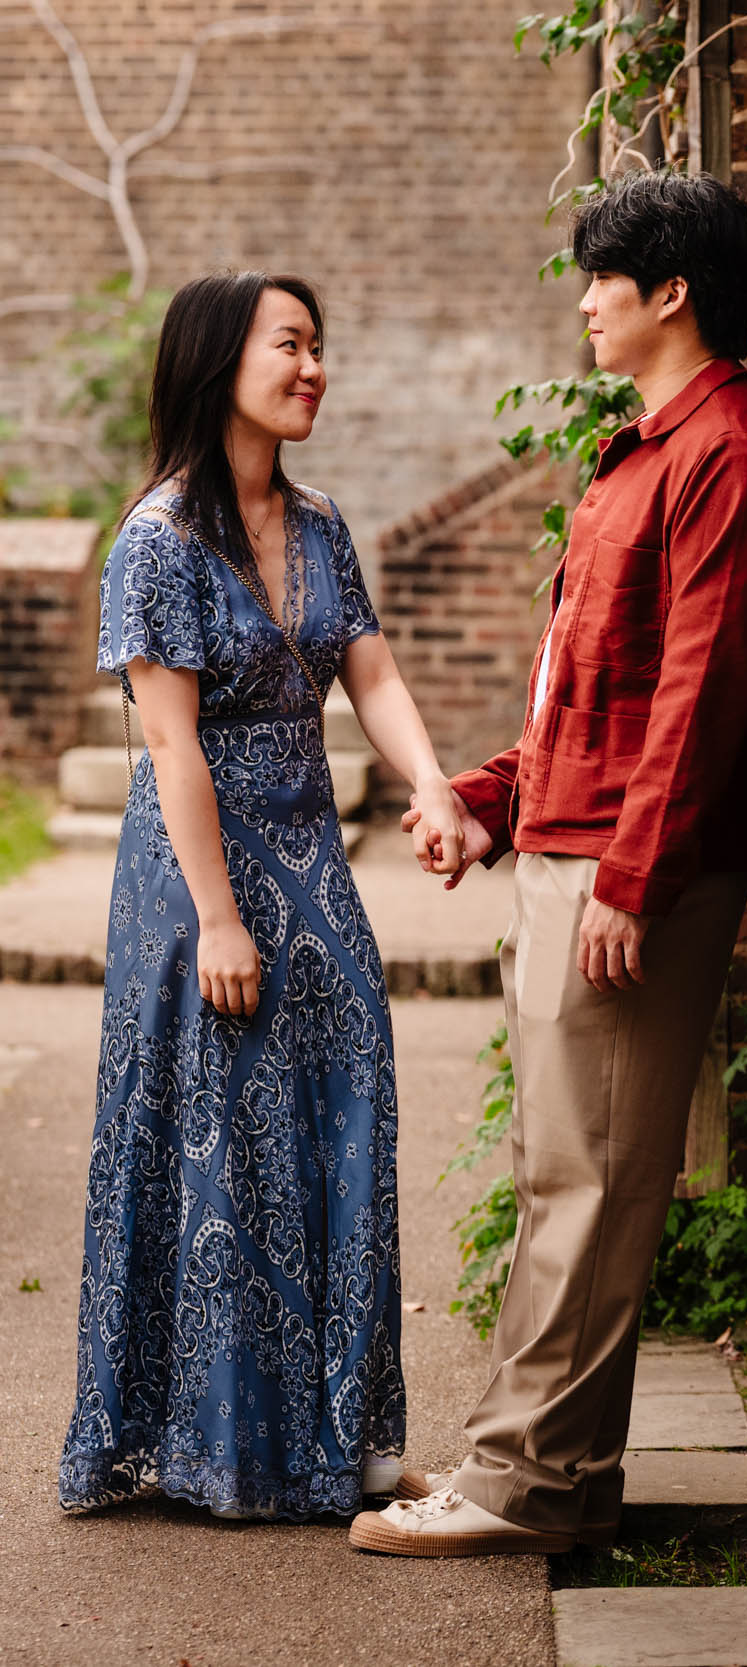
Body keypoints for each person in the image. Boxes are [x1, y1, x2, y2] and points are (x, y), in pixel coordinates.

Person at [353, 171, 747, 1557]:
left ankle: (524, 1485)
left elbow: (705, 690)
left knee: (595, 1181)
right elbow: (587, 693)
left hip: (623, 873)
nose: (586, 299)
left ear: (672, 292)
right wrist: (490, 799)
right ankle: (547, 1470)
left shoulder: (733, 446)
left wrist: (631, 871)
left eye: (604, 275)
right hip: (574, 850)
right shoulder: (644, 450)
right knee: (566, 1172)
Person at [57, 271, 471, 1521]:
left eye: (318, 346)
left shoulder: (325, 521)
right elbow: (170, 747)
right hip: (197, 873)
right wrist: (223, 918)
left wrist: (438, 783)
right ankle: (210, 1446)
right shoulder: (159, 539)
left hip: (314, 858)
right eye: (289, 344)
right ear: (216, 360)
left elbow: (374, 672)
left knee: (347, 1105)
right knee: (213, 1140)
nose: (313, 367)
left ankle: (349, 1440)